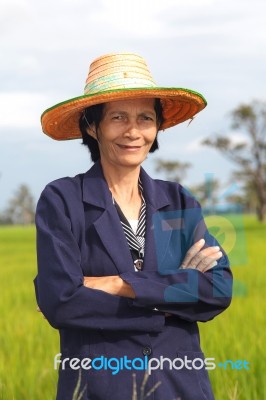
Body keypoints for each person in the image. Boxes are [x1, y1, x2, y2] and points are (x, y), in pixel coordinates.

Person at [34, 52, 232, 400]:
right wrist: (169, 299)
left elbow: (217, 289)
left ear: (157, 127)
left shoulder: (178, 200)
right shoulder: (62, 200)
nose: (133, 131)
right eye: (118, 117)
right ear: (92, 125)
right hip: (99, 387)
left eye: (145, 117)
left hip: (181, 386)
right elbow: (62, 301)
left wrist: (119, 285)